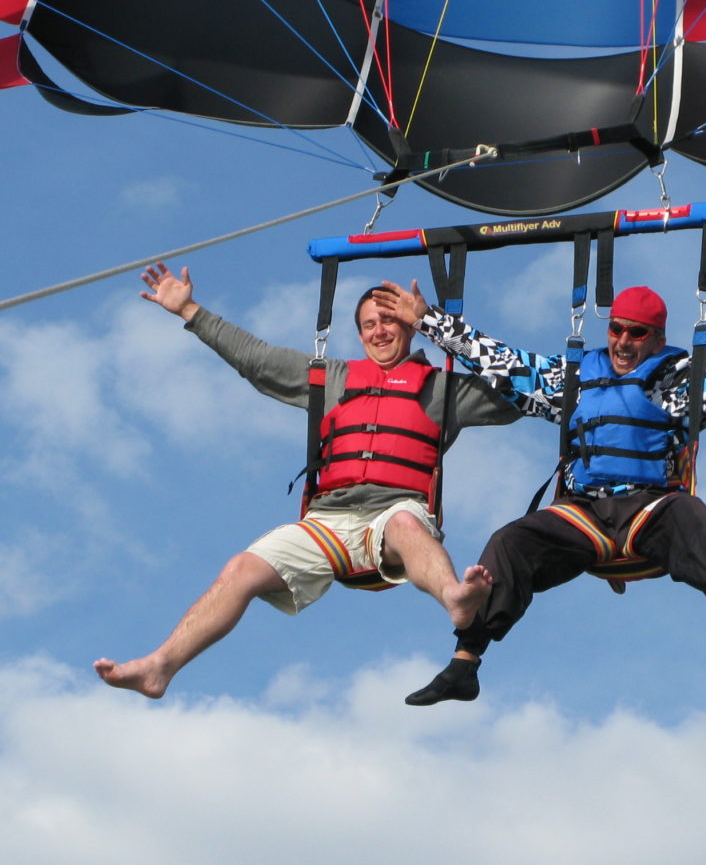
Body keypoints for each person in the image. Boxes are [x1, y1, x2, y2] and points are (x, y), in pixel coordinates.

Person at [368, 280, 706, 705]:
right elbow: (501, 361)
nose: (621, 342)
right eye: (615, 329)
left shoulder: (680, 380)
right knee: (510, 540)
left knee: (689, 513)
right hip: (583, 514)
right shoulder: (574, 378)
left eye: (635, 333)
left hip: (648, 508)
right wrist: (428, 320)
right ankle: (465, 664)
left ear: (657, 339)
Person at [94, 262, 521, 698]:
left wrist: (438, 325)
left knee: (405, 524)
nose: (379, 331)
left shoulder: (445, 390)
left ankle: (454, 597)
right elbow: (256, 359)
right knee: (241, 569)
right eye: (369, 324)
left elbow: (520, 389)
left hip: (393, 516)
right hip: (327, 522)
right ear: (359, 334)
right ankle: (159, 667)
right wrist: (190, 311)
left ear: (410, 326)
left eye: (389, 320)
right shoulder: (330, 378)